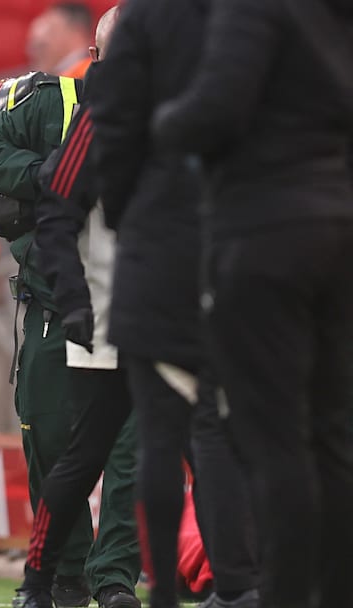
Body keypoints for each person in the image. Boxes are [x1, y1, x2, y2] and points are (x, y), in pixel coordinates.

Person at [153, 0, 353, 606]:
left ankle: (285, 592)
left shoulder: (257, 10)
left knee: (272, 438)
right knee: (334, 435)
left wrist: (163, 121)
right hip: (339, 228)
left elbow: (215, 109)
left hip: (265, 234)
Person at [90, 0, 260, 606]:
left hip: (158, 251)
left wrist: (127, 214)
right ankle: (248, 581)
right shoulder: (255, 23)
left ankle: (170, 587)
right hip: (243, 243)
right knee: (231, 427)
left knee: (161, 434)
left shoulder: (143, 26)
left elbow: (110, 137)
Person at [0, 13, 140, 608]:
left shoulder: (181, 113)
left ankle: (115, 578)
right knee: (50, 439)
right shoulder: (52, 101)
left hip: (140, 310)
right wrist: (45, 174)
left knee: (131, 449)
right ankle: (65, 568)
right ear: (95, 52)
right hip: (54, 299)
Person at [26, 2, 94, 79]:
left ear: (77, 35)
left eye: (51, 32)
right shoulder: (26, 78)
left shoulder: (93, 77)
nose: (33, 50)